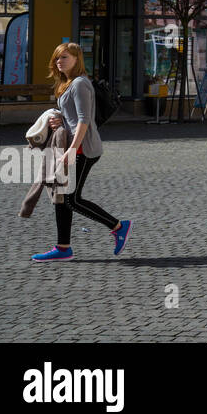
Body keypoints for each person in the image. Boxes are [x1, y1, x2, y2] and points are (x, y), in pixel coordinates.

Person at [31, 43, 131, 262]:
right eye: (57, 58)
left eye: (65, 57)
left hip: (84, 149)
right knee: (63, 197)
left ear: (77, 59)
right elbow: (74, 118)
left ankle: (118, 226)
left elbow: (84, 120)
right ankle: (63, 248)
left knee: (71, 199)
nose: (60, 61)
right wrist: (59, 120)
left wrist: (72, 150)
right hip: (73, 146)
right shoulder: (67, 84)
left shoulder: (79, 84)